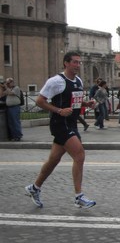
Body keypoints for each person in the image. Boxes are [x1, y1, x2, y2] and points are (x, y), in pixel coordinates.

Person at [25, 51, 96, 209]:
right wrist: (59, 110)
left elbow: (74, 102)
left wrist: (86, 104)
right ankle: (79, 196)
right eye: (75, 62)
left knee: (53, 161)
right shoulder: (55, 81)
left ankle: (34, 188)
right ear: (66, 63)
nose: (78, 65)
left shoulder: (78, 80)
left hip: (71, 124)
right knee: (79, 155)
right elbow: (39, 101)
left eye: (79, 62)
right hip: (60, 123)